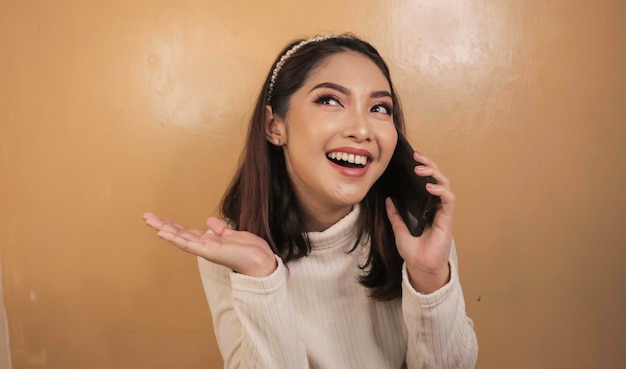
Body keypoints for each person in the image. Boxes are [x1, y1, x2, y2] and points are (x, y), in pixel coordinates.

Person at [143, 34, 478, 368]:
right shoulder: (230, 249)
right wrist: (261, 279)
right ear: (275, 126)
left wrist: (430, 276)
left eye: (379, 108)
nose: (362, 130)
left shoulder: (416, 232)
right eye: (330, 101)